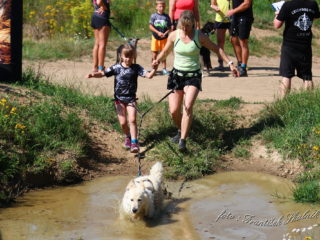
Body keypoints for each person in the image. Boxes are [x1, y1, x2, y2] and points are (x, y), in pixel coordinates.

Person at [152, 10, 239, 152]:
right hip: (176, 76)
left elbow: (217, 49)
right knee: (174, 111)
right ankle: (181, 130)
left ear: (193, 24)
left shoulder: (200, 36)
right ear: (180, 23)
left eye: (188, 26)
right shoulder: (174, 35)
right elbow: (165, 52)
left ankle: (182, 141)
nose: (185, 29)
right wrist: (157, 61)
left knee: (187, 106)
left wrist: (230, 64)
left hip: (193, 76)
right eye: (183, 26)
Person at [87, 44, 157, 153]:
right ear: (121, 56)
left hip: (131, 99)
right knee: (123, 123)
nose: (128, 59)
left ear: (133, 56)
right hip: (119, 100)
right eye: (126, 56)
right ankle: (128, 136)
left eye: (130, 56)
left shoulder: (136, 68)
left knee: (132, 120)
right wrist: (93, 75)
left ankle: (134, 142)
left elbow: (149, 76)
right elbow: (103, 74)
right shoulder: (116, 67)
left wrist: (154, 69)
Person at [274, 0, 320, 97]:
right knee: (307, 76)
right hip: (305, 44)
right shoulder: (313, 3)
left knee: (286, 75)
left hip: (289, 45)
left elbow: (277, 25)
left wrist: (277, 15)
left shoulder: (287, 5)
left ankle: (283, 102)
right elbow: (315, 17)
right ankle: (308, 102)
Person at [226, 0, 253, 77]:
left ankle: (243, 67)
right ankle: (240, 63)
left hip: (245, 17)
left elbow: (247, 4)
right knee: (234, 40)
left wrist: (233, 11)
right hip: (235, 16)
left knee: (243, 41)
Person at [149, 0, 172, 75]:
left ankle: (164, 69)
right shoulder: (153, 16)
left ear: (165, 7)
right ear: (156, 7)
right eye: (160, 6)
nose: (161, 8)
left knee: (163, 53)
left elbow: (169, 27)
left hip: (164, 38)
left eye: (163, 6)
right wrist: (158, 32)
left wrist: (165, 33)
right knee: (154, 54)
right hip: (155, 37)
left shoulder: (166, 17)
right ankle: (154, 68)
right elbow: (150, 26)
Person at [211, 0, 232, 71]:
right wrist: (216, 8)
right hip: (220, 19)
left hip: (233, 19)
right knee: (220, 42)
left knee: (235, 41)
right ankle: (221, 63)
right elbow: (212, 4)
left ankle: (241, 64)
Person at [91, 0, 111, 73]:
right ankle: (100, 68)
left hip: (95, 16)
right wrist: (103, 6)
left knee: (97, 44)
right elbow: (99, 2)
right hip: (102, 17)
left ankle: (95, 67)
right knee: (102, 44)